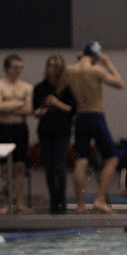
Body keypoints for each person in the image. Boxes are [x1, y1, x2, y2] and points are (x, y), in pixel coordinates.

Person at [63, 41, 125, 214]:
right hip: (96, 116)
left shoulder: (70, 70)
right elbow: (120, 83)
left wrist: (80, 61)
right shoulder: (96, 70)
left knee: (81, 160)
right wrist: (107, 63)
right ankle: (99, 199)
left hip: (80, 117)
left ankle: (80, 205)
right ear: (97, 56)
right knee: (112, 158)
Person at [33, 55, 77, 214]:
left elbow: (72, 110)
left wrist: (56, 103)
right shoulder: (40, 88)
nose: (52, 69)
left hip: (62, 131)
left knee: (60, 166)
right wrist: (41, 111)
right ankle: (53, 200)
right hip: (45, 131)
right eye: (50, 66)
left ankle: (61, 201)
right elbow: (35, 110)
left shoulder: (67, 88)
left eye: (55, 66)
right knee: (49, 167)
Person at [0, 53, 34, 213]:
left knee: (20, 167)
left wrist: (8, 104)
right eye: (16, 67)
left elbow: (29, 110)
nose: (19, 70)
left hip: (20, 129)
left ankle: (20, 203)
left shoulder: (27, 87)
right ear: (7, 68)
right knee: (5, 168)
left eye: (21, 67)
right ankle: (6, 203)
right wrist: (20, 103)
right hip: (5, 129)